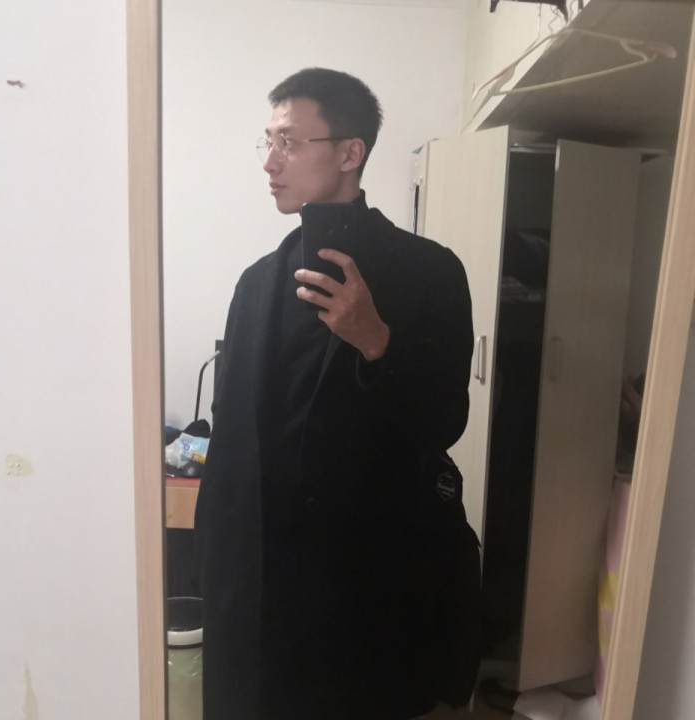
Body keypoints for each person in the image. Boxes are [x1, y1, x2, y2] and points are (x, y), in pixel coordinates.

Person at [194, 67, 480, 720]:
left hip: (366, 588)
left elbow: (444, 420)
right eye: (268, 141)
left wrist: (377, 341)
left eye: (290, 142)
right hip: (258, 587)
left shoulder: (430, 273)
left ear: (351, 153)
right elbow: (230, 432)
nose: (270, 161)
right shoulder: (256, 284)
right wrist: (212, 563)